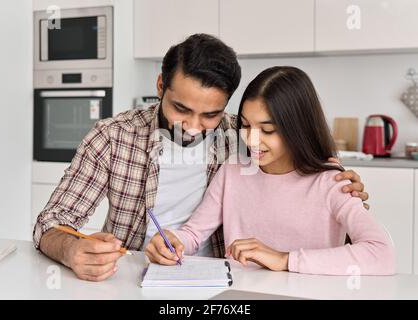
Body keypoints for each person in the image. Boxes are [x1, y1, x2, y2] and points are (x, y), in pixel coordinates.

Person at [33, 34, 369, 282]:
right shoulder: (113, 137)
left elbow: (304, 161)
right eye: (181, 108)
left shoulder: (244, 135)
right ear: (161, 85)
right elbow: (51, 221)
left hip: (224, 279)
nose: (193, 128)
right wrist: (71, 250)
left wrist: (337, 180)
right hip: (130, 276)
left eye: (210, 114)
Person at [145, 66, 395, 275]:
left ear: (298, 128)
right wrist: (172, 241)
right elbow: (193, 233)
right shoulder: (233, 172)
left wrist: (284, 260)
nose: (252, 140)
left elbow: (381, 253)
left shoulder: (333, 183)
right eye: (245, 125)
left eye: (267, 130)